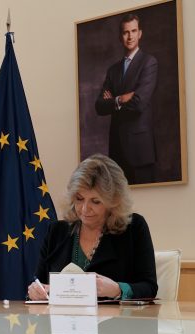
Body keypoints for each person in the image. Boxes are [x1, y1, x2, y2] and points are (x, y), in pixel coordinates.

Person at [28, 154, 157, 301]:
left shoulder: (134, 228)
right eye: (79, 199)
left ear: (114, 201)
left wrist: (117, 289)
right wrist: (35, 292)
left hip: (116, 316)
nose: (84, 209)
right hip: (62, 315)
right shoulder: (56, 231)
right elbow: (38, 283)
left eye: (95, 201)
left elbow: (149, 287)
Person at [94, 13, 158, 184]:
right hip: (117, 151)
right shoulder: (113, 70)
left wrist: (112, 102)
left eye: (133, 31)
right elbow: (99, 106)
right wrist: (120, 99)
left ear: (140, 33)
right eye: (125, 32)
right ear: (120, 36)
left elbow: (139, 103)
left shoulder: (149, 63)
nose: (130, 36)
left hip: (140, 150)